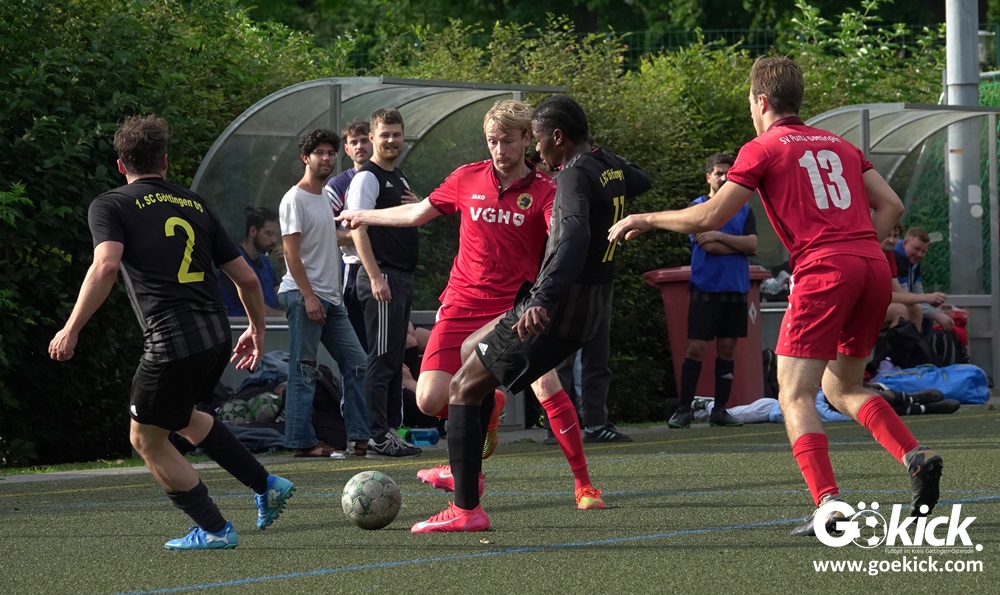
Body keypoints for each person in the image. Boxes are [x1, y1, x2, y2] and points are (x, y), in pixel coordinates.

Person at [608, 57, 943, 537]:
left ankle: (829, 504)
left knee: (794, 393)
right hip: (871, 266)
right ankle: (915, 455)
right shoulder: (841, 144)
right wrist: (857, 245)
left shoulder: (762, 147)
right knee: (842, 388)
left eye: (750, 102)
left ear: (761, 101)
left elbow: (709, 217)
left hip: (825, 270)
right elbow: (892, 204)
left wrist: (645, 218)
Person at [339, 99, 608, 507]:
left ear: (526, 140)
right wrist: (364, 216)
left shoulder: (545, 191)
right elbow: (416, 214)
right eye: (492, 141)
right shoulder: (467, 177)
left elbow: (563, 242)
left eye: (507, 141)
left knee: (545, 383)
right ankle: (490, 405)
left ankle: (584, 485)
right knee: (429, 400)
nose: (499, 150)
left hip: (511, 310)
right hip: (460, 305)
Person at [405, 95, 651, 533]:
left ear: (552, 137)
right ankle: (468, 474)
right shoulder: (601, 166)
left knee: (470, 385)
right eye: (493, 140)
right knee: (470, 364)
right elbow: (640, 179)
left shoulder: (566, 178)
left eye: (533, 140)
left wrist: (542, 299)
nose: (536, 151)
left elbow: (571, 238)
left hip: (543, 304)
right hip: (583, 304)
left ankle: (476, 502)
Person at [47, 115, 294, 550]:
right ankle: (265, 484)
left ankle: (214, 528)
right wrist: (256, 329)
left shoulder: (110, 204)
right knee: (182, 417)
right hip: (215, 335)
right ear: (165, 161)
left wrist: (71, 328)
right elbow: (248, 279)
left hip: (171, 341)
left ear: (121, 165)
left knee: (144, 437)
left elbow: (106, 265)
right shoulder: (195, 204)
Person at [276, 128, 371, 458]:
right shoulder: (294, 199)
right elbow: (291, 254)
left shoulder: (324, 199)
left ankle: (360, 437)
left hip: (331, 299)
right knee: (304, 369)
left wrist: (362, 228)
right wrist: (309, 297)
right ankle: (302, 442)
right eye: (320, 153)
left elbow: (328, 239)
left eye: (331, 153)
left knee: (358, 364)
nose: (327, 158)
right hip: (304, 296)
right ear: (305, 158)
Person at [345, 108, 422, 457]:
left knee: (393, 360)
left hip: (400, 277)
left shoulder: (399, 176)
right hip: (383, 277)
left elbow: (405, 219)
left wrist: (417, 207)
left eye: (396, 134)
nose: (391, 140)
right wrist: (376, 276)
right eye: (385, 134)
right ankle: (375, 435)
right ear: (372, 137)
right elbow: (356, 228)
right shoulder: (367, 177)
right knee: (380, 359)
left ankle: (389, 431)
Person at [668, 153, 757, 429]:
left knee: (727, 350)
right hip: (706, 288)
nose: (724, 178)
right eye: (719, 173)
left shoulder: (744, 210)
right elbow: (708, 246)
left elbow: (753, 244)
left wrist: (718, 235)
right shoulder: (697, 208)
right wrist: (737, 245)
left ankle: (720, 410)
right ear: (709, 177)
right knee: (696, 349)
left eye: (729, 173)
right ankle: (684, 410)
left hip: (736, 289)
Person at [324, 118, 372, 345]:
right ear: (347, 149)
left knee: (399, 341)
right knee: (362, 344)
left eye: (364, 140)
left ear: (373, 141)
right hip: (356, 271)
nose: (360, 146)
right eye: (354, 142)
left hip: (391, 269)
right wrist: (359, 236)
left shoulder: (393, 178)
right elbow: (325, 233)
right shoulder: (337, 186)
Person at [217, 206, 285, 317]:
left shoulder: (265, 262)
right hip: (241, 324)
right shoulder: (234, 262)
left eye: (275, 235)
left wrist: (286, 266)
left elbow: (280, 296)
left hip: (269, 324)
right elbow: (257, 308)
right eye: (268, 233)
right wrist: (284, 316)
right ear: (253, 231)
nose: (274, 240)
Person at [893, 226, 951, 332]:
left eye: (923, 251)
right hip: (890, 303)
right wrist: (936, 314)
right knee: (918, 312)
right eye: (916, 249)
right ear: (905, 243)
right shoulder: (897, 258)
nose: (919, 254)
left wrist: (933, 308)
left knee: (927, 317)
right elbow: (904, 297)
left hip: (900, 301)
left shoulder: (914, 261)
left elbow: (918, 293)